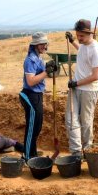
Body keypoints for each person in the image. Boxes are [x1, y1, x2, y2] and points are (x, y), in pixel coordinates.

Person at [65, 19, 98, 157]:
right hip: (76, 88)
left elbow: (96, 76)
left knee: (86, 121)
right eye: (77, 35)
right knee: (70, 119)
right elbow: (81, 50)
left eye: (81, 36)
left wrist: (76, 83)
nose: (79, 38)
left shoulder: (96, 50)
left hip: (89, 90)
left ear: (90, 34)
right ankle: (76, 152)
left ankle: (88, 152)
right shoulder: (83, 45)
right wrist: (72, 41)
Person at [19, 32, 56, 160]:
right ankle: (27, 156)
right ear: (35, 45)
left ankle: (32, 152)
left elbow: (41, 76)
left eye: (45, 43)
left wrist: (49, 69)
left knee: (38, 126)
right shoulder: (30, 60)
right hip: (30, 95)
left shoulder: (39, 57)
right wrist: (46, 72)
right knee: (32, 127)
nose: (44, 46)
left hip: (37, 95)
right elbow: (30, 81)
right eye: (41, 44)